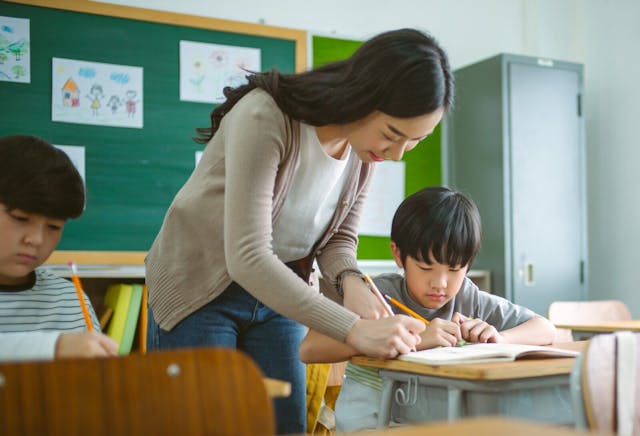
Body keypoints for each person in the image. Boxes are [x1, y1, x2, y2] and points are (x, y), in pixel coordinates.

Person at [145, 28, 453, 433]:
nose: (395, 154)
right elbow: (248, 256)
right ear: (363, 96)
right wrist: (354, 329)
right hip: (199, 287)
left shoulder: (363, 153)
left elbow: (340, 240)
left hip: (279, 293)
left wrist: (350, 279)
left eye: (414, 142)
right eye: (393, 135)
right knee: (207, 423)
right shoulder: (265, 116)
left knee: (286, 424)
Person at [299, 186, 557, 431]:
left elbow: (545, 328)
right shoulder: (377, 296)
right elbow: (310, 348)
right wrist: (416, 339)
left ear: (468, 264)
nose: (440, 284)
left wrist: (501, 339)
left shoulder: (469, 298)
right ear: (398, 255)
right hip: (372, 425)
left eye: (455, 270)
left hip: (435, 424)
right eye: (425, 268)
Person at [0, 135, 119, 362]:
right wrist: (53, 346)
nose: (35, 239)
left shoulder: (67, 298)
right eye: (20, 218)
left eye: (54, 227)